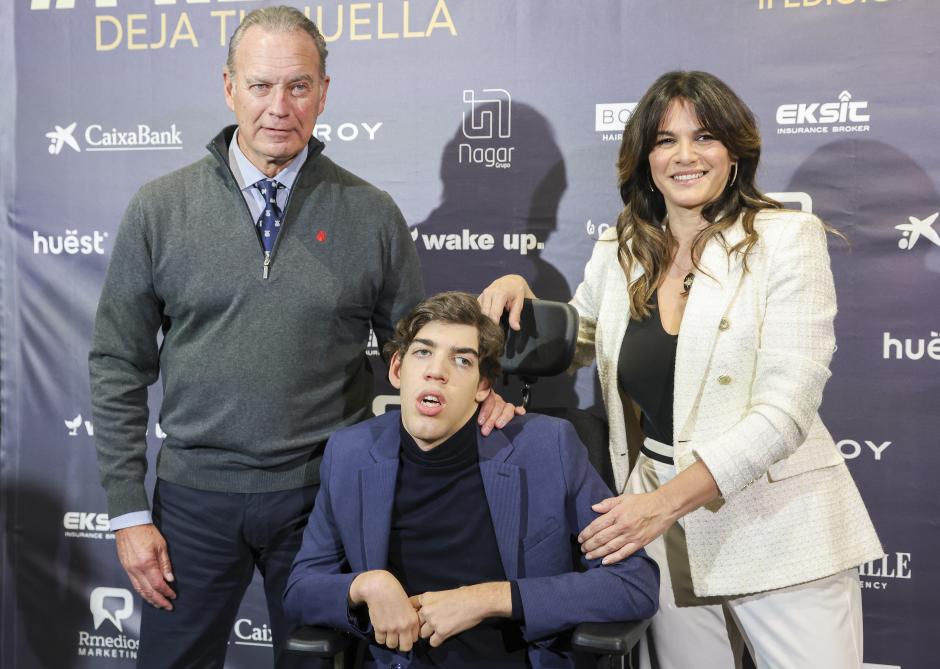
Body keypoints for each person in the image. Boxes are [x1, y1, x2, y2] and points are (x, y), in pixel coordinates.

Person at [88, 7, 513, 667]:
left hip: (323, 500)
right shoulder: (158, 208)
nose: (278, 106)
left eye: (298, 86)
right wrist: (126, 510)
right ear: (228, 87)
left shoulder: (371, 213)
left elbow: (416, 349)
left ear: (323, 91)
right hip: (193, 501)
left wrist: (477, 387)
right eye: (261, 86)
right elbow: (118, 363)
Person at [480, 71, 883, 669]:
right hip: (655, 519)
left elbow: (786, 410)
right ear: (645, 158)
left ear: (736, 151)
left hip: (773, 523)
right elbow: (583, 334)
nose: (685, 156)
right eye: (666, 140)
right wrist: (524, 301)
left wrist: (667, 502)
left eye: (705, 137)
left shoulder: (785, 238)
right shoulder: (626, 246)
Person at [283, 292, 660, 669]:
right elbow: (301, 587)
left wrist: (491, 598)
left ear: (483, 386)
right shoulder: (350, 453)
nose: (437, 371)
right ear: (397, 369)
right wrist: (364, 585)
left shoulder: (548, 448)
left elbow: (633, 583)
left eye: (461, 360)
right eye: (422, 352)